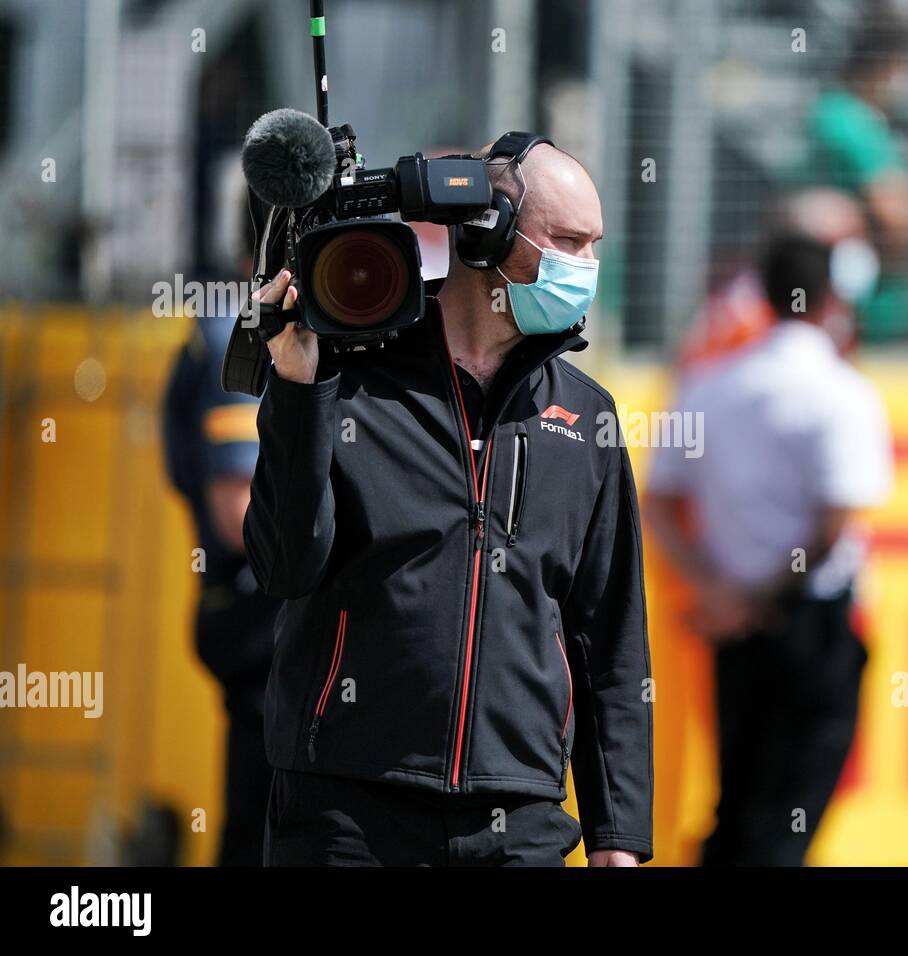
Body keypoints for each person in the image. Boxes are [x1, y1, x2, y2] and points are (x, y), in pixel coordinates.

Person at [246, 134, 653, 867]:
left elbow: (611, 642)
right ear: (487, 231)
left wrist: (617, 839)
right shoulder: (348, 385)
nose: (585, 268)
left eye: (593, 246)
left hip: (521, 817)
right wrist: (301, 391)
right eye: (567, 241)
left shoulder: (586, 419)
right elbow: (282, 566)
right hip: (346, 811)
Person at [644, 190, 893, 866]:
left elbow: (660, 503)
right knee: (789, 819)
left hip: (735, 627)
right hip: (807, 623)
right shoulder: (844, 392)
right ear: (831, 300)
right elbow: (836, 524)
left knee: (738, 807)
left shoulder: (711, 384)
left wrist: (720, 590)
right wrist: (769, 596)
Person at [162, 311, 278, 867]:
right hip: (259, 619)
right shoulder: (245, 329)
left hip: (275, 629)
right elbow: (238, 512)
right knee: (261, 834)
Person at [803, 7, 908, 341]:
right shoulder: (856, 125)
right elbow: (899, 216)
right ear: (890, 63)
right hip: (864, 319)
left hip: (833, 310)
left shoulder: (828, 112)